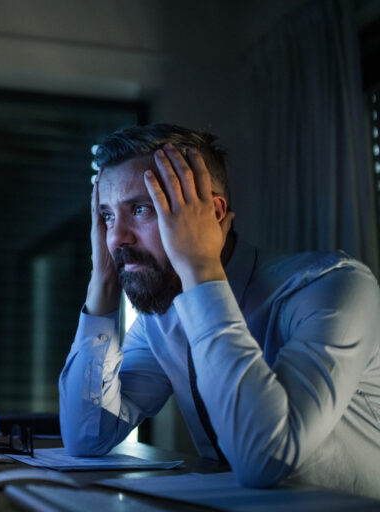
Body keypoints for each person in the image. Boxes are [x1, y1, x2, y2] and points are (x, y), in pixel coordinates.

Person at [58, 123, 380, 498]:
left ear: (211, 214)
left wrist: (201, 269)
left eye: (141, 209)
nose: (116, 238)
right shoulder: (160, 319)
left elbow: (265, 459)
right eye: (108, 217)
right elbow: (85, 437)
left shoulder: (332, 288)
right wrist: (103, 283)